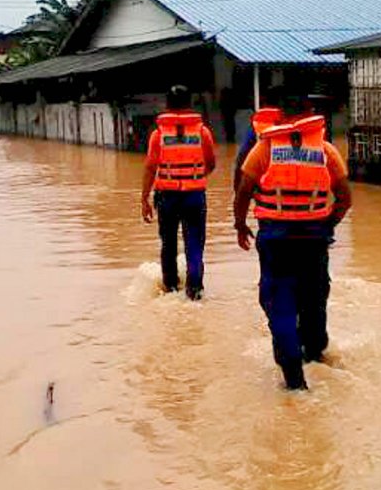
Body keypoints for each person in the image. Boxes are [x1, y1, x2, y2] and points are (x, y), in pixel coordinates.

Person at [233, 88, 352, 390]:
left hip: (276, 241)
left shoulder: (264, 149)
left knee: (279, 301)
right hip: (314, 241)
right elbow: (345, 199)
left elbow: (244, 189)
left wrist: (239, 225)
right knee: (314, 298)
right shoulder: (325, 151)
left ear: (282, 115)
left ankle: (293, 378)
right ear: (311, 112)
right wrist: (327, 225)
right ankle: (315, 352)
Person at [141, 85, 216, 300]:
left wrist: (144, 198)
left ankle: (170, 289)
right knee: (194, 244)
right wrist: (195, 177)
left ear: (167, 105)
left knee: (168, 245)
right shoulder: (202, 132)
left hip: (167, 196)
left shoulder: (159, 135)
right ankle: (195, 291)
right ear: (189, 105)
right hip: (194, 195)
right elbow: (211, 163)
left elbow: (150, 167)